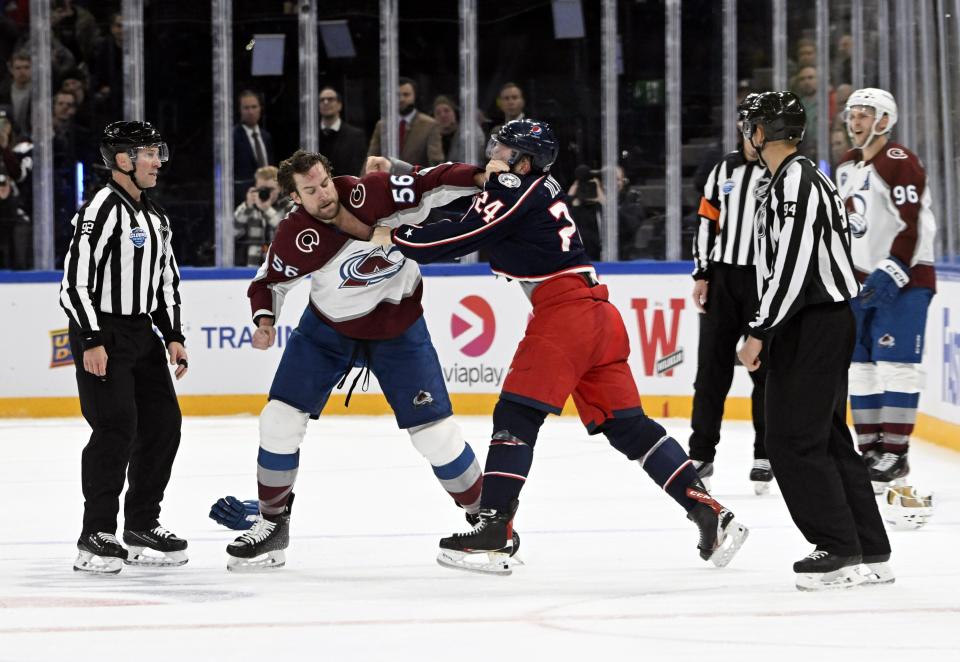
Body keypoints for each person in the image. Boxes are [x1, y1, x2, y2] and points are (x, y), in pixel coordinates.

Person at [372, 119, 749, 575]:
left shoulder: (514, 187)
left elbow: (458, 239)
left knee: (516, 415)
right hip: (596, 313)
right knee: (629, 427)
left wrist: (393, 237)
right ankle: (708, 510)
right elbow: (469, 217)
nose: (493, 153)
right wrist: (404, 188)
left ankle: (494, 529)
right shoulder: (531, 188)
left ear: (524, 161)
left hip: (565, 312)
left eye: (503, 149)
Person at [224, 149, 502, 571]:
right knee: (277, 421)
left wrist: (481, 176)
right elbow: (269, 281)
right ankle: (272, 524)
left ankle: (490, 523)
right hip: (327, 332)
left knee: (436, 436)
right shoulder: (294, 234)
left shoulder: (374, 192)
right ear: (296, 197)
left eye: (323, 183)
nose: (322, 195)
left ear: (331, 175)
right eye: (310, 191)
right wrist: (265, 319)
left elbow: (433, 182)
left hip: (398, 328)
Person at [736, 92, 891, 590]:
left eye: (751, 126)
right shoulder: (786, 180)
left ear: (764, 132)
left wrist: (760, 329)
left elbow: (793, 267)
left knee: (792, 441)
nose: (747, 135)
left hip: (813, 321)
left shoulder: (797, 181)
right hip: (813, 320)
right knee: (824, 437)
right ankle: (869, 546)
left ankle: (838, 548)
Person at [59, 121, 190, 574]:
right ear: (122, 160)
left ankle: (140, 524)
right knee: (115, 427)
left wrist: (173, 334)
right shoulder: (99, 209)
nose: (158, 161)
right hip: (103, 331)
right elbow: (74, 282)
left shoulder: (156, 217)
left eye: (158, 151)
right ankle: (95, 533)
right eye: (149, 153)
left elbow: (166, 280)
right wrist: (92, 339)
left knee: (163, 425)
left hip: (141, 334)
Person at [835, 88, 937, 492]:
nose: (854, 121)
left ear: (884, 120)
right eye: (852, 114)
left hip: (905, 280)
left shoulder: (899, 162)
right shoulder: (844, 166)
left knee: (896, 365)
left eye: (864, 114)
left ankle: (896, 452)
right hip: (859, 281)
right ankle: (871, 451)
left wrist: (893, 269)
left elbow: (913, 223)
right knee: (859, 368)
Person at [689, 93, 771, 495]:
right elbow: (706, 221)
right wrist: (702, 273)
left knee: (766, 372)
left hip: (763, 283)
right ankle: (701, 452)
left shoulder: (783, 173)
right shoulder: (723, 168)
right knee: (711, 372)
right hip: (723, 280)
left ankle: (765, 453)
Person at [367, 77, 443, 167]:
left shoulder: (429, 125)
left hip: (417, 178)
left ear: (415, 96)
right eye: (397, 95)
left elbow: (435, 160)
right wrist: (363, 180)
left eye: (406, 95)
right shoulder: (383, 125)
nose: (401, 99)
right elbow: (371, 157)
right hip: (387, 178)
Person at [233, 165, 292, 267]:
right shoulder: (249, 206)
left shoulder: (288, 206)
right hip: (251, 269)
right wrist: (247, 207)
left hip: (281, 269)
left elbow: (290, 234)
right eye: (261, 189)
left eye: (270, 189)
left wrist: (267, 209)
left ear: (279, 188)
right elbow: (230, 234)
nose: (265, 193)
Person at [233, 90, 274, 202]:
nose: (250, 111)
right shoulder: (232, 137)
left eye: (254, 107)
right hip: (244, 200)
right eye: (246, 108)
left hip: (268, 198)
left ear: (260, 108)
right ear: (240, 110)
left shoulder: (266, 137)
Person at [317, 86, 367, 177]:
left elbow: (358, 169)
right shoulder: (311, 137)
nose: (325, 102)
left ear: (339, 105)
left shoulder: (355, 136)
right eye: (322, 100)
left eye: (330, 99)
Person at [432, 95, 484, 164]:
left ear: (454, 113)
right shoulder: (433, 139)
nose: (443, 115)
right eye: (438, 113)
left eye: (446, 111)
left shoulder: (467, 133)